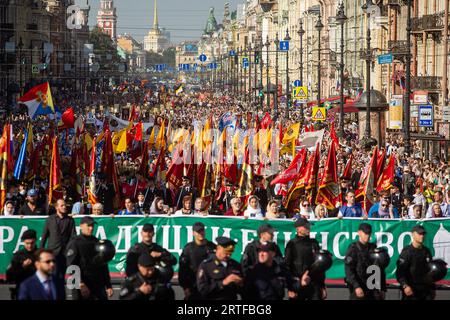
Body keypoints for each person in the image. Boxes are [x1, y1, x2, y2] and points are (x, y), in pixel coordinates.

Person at [65, 216, 113, 300]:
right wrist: (81, 284)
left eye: (92, 226)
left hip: (96, 283)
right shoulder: (75, 243)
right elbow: (71, 266)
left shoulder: (96, 242)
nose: (91, 228)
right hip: (81, 283)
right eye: (88, 226)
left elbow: (103, 265)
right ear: (81, 226)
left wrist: (108, 285)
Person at [285, 218, 327, 300]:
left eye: (309, 226)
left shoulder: (314, 242)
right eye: (306, 226)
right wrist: (290, 288)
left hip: (314, 284)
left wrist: (322, 286)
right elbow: (287, 265)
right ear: (298, 229)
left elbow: (319, 265)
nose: (308, 228)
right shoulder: (292, 244)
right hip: (298, 284)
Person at [344, 223, 386, 300]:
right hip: (359, 286)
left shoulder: (373, 248)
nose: (367, 235)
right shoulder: (353, 249)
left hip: (372, 288)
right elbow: (349, 270)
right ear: (359, 233)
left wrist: (382, 288)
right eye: (365, 233)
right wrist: (356, 286)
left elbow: (379, 269)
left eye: (369, 233)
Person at [40, 198, 76, 281]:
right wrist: (41, 251)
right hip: (52, 251)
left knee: (61, 276)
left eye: (65, 205)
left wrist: (71, 250)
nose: (64, 207)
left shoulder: (70, 220)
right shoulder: (50, 219)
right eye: (62, 205)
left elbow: (73, 236)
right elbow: (44, 236)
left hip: (64, 253)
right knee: (52, 275)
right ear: (57, 207)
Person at [178, 222, 216, 300]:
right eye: (198, 232)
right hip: (194, 285)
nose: (201, 233)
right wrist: (185, 287)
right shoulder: (188, 249)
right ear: (193, 233)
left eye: (202, 231)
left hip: (209, 285)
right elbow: (183, 270)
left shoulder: (212, 246)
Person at [396, 225, 435, 300]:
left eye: (423, 234)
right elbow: (400, 272)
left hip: (425, 291)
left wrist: (432, 288)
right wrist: (405, 286)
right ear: (413, 235)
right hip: (412, 291)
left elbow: (430, 271)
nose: (422, 236)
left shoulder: (426, 251)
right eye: (419, 234)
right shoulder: (407, 252)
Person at [6, 229, 38, 300]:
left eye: (32, 243)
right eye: (27, 243)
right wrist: (23, 266)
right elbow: (10, 276)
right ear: (23, 242)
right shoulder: (18, 256)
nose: (29, 246)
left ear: (35, 240)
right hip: (22, 290)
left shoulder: (41, 255)